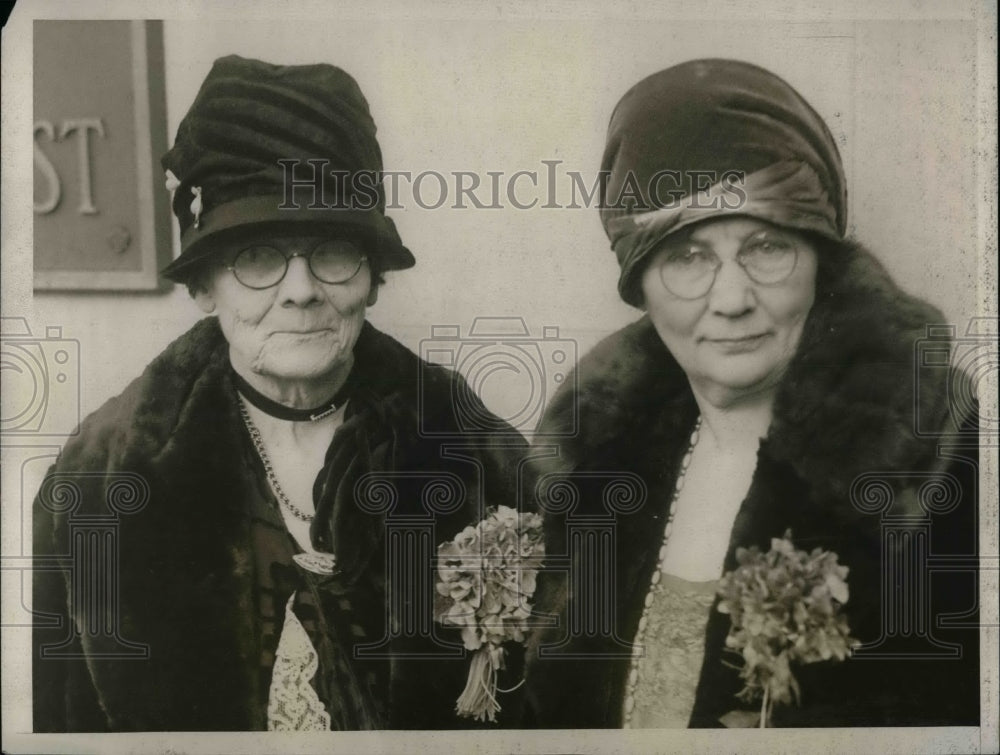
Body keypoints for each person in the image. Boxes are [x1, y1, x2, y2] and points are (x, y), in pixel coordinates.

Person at [32, 55, 526, 731]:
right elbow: (66, 724)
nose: (301, 290)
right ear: (206, 286)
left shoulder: (474, 451)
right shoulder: (99, 475)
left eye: (332, 250)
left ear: (373, 277)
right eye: (258, 256)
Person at [521, 59, 979, 728]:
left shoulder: (948, 465)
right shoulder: (591, 469)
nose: (732, 300)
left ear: (820, 258)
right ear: (639, 282)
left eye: (767, 246)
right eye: (688, 256)